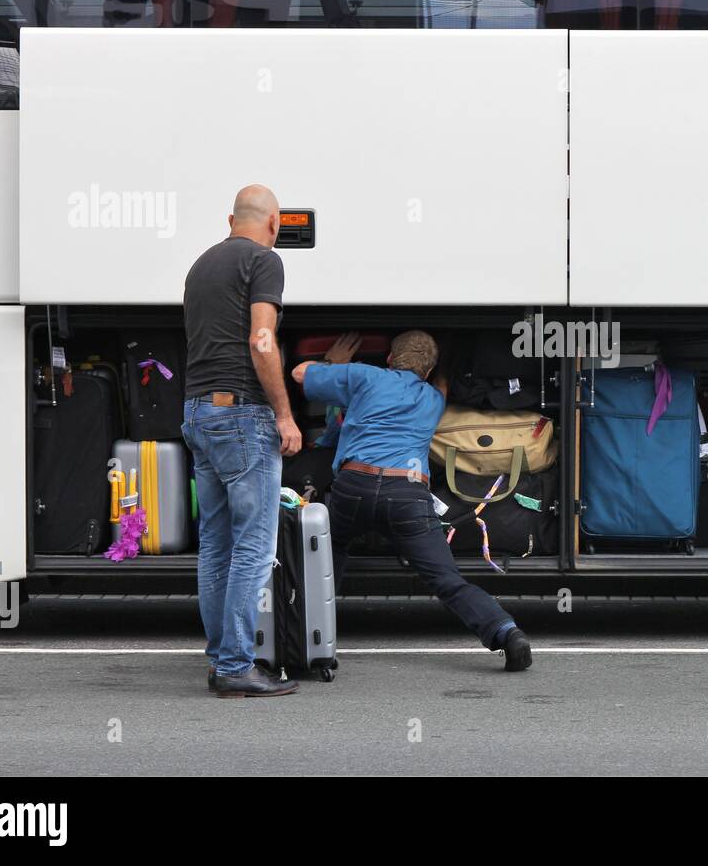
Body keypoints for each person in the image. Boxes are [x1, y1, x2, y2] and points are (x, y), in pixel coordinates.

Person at [292, 331, 533, 671]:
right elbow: (444, 387)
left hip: (354, 485)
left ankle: (306, 639)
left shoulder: (365, 375)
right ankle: (505, 632)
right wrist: (443, 364)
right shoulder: (433, 398)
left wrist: (334, 364)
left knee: (327, 563)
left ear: (389, 358)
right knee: (448, 581)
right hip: (407, 495)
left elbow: (299, 373)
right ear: (429, 371)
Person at [181, 184, 303, 698]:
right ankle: (235, 666)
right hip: (242, 416)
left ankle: (221, 659)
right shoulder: (263, 261)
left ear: (231, 218)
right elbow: (260, 339)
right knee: (253, 544)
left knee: (216, 543)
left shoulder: (201, 265)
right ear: (274, 224)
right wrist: (284, 414)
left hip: (197, 412)